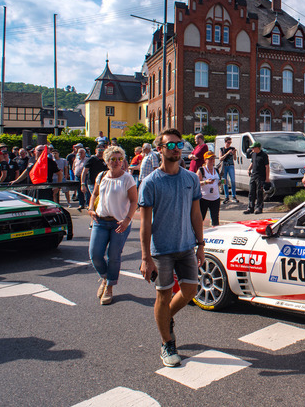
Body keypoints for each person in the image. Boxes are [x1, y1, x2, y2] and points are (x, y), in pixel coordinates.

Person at [139, 128, 204, 368]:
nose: (176, 149)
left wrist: (201, 244)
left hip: (187, 247)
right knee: (163, 295)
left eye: (179, 145)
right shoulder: (150, 182)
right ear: (160, 149)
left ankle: (165, 319)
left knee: (190, 291)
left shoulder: (191, 178)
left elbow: (196, 214)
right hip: (162, 251)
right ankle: (167, 343)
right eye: (171, 145)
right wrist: (146, 258)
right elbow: (145, 223)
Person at [88, 146, 138, 305]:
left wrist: (127, 220)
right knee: (95, 254)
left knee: (114, 256)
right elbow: (95, 194)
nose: (117, 162)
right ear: (106, 161)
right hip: (100, 221)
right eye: (113, 159)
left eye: (119, 159)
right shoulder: (101, 176)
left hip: (119, 223)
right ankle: (104, 277)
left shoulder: (127, 178)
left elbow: (134, 201)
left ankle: (109, 287)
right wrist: (90, 209)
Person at [244, 141, 270, 215]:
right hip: (253, 175)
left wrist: (267, 178)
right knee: (251, 192)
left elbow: (267, 167)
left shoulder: (264, 155)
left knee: (259, 192)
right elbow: (253, 162)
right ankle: (250, 207)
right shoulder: (253, 154)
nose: (252, 149)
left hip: (261, 176)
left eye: (253, 148)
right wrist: (249, 169)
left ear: (257, 148)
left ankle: (259, 207)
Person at [80, 145, 108, 210]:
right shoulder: (91, 159)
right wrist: (83, 184)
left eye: (102, 150)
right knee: (97, 197)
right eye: (99, 150)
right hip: (92, 183)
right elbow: (84, 172)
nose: (101, 152)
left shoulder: (106, 160)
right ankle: (94, 210)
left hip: (104, 183)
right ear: (96, 150)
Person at [197, 151, 221, 227]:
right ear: (205, 160)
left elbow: (217, 182)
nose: (211, 161)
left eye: (213, 159)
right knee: (200, 218)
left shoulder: (216, 170)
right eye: (209, 159)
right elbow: (196, 183)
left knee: (215, 219)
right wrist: (206, 182)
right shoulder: (201, 170)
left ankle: (215, 234)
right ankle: (198, 235)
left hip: (215, 198)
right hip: (204, 198)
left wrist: (221, 182)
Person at [219, 137, 238, 204]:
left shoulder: (232, 148)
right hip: (224, 166)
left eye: (230, 142)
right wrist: (227, 153)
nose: (229, 144)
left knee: (233, 180)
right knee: (224, 181)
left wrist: (234, 153)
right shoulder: (222, 149)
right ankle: (226, 196)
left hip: (231, 165)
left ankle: (234, 196)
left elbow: (235, 159)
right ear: (225, 142)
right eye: (228, 142)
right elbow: (220, 158)